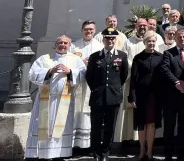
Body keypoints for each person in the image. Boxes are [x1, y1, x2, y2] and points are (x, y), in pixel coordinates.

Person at [26, 35, 86, 159]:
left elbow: (83, 74)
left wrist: (70, 72)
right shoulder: (45, 58)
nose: (62, 45)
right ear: (55, 44)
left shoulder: (75, 59)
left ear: (69, 45)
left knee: (63, 128)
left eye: (65, 43)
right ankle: (40, 154)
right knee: (42, 127)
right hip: (45, 100)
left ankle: (60, 154)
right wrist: (49, 71)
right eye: (60, 42)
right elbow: (31, 74)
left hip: (65, 100)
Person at [86, 27, 129, 161]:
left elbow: (124, 75)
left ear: (115, 40)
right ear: (103, 39)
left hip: (113, 97)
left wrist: (113, 89)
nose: (110, 40)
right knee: (96, 126)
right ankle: (96, 152)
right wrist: (98, 88)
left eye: (112, 38)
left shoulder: (122, 56)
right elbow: (89, 76)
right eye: (107, 38)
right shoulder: (95, 56)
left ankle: (105, 153)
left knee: (110, 126)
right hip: (98, 96)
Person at [128, 31, 163, 161]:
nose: (151, 43)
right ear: (145, 43)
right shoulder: (138, 58)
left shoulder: (160, 57)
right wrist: (132, 96)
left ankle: (149, 151)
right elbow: (133, 79)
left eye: (153, 41)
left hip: (155, 96)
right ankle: (142, 149)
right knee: (141, 123)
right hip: (141, 95)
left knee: (152, 123)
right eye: (149, 41)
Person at [71, 20, 104, 150]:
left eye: (91, 29)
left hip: (91, 86)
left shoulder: (99, 46)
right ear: (82, 30)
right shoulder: (74, 46)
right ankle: (74, 145)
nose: (88, 31)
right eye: (86, 29)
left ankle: (89, 146)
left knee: (89, 113)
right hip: (77, 85)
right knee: (75, 112)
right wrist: (80, 62)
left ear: (94, 31)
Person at [161, 28, 184, 161]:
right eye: (180, 37)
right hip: (171, 97)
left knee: (183, 126)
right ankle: (168, 154)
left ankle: (181, 153)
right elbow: (165, 69)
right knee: (169, 126)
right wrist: (176, 83)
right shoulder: (168, 53)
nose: (183, 39)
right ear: (175, 38)